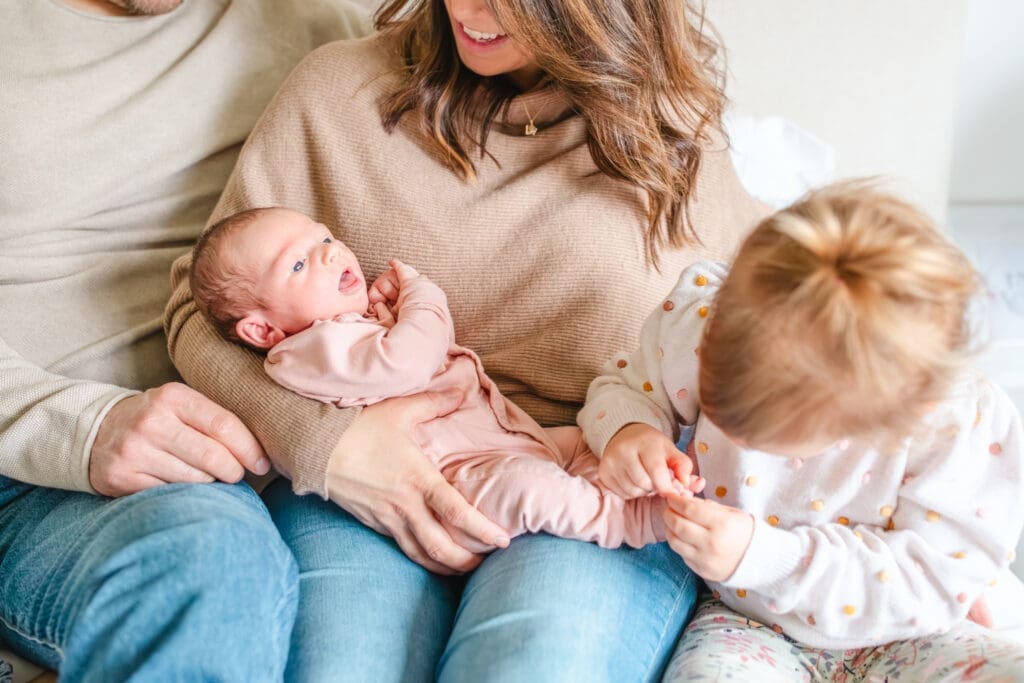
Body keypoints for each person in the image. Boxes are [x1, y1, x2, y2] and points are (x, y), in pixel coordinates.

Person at [165, 0, 768, 679]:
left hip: (583, 476)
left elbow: (765, 327)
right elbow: (197, 311)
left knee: (530, 666)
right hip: (363, 483)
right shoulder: (336, 94)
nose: (469, 9)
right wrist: (327, 444)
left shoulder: (673, 133)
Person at [0, 1, 371, 679]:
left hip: (266, 456)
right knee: (210, 555)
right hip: (32, 472)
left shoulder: (313, 24)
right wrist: (83, 428)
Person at [578, 183, 1024, 681]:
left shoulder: (951, 428)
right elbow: (624, 385)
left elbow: (927, 587)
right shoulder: (701, 325)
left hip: (912, 627)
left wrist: (767, 558)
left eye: (758, 434)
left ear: (872, 420)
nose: (724, 430)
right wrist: (633, 431)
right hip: (752, 624)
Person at [190, 207, 708, 550]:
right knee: (531, 488)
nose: (330, 252)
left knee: (588, 446)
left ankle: (651, 486)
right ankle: (630, 521)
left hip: (509, 439)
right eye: (300, 263)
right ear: (260, 329)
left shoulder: (341, 332)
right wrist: (420, 295)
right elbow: (409, 361)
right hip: (461, 478)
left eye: (324, 237)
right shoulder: (307, 350)